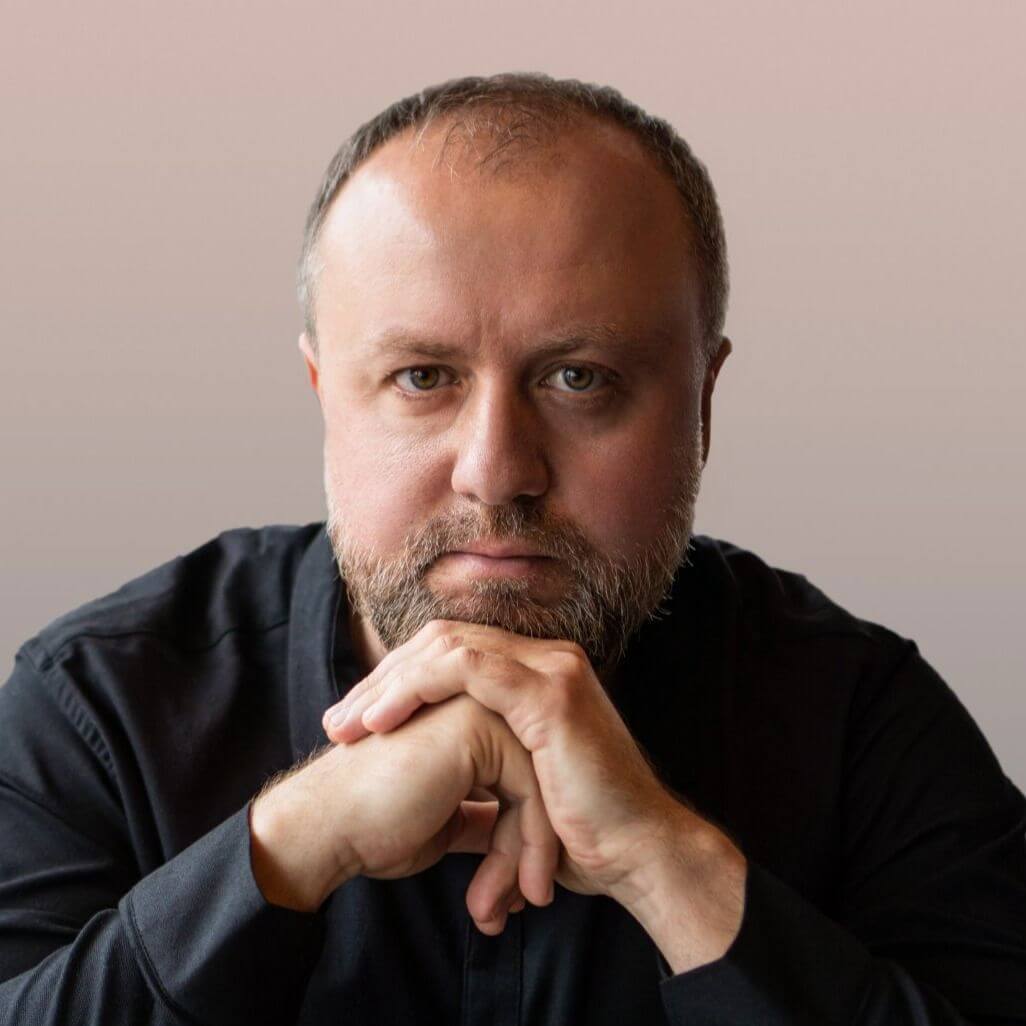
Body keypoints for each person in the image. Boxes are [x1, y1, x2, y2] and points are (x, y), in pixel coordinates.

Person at [0, 72, 1023, 1026]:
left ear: (703, 404)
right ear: (325, 398)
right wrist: (289, 848)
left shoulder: (860, 719)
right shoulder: (100, 705)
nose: (496, 472)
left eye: (580, 379)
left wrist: (666, 861)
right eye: (422, 377)